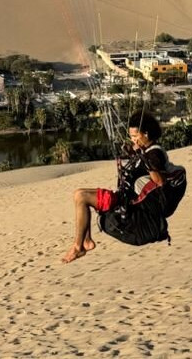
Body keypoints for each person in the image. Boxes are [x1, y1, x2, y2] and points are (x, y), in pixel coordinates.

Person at [61, 110, 169, 264]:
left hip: (128, 205)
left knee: (81, 197)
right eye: (131, 136)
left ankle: (79, 246)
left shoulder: (154, 154)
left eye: (135, 136)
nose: (133, 140)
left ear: (146, 134)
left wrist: (144, 159)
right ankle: (86, 241)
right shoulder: (145, 151)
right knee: (78, 193)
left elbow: (159, 182)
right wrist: (133, 153)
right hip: (121, 197)